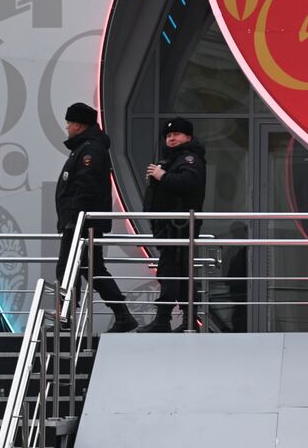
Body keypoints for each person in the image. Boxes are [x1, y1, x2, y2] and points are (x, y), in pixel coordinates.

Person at [56, 102, 137, 333]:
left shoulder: (90, 150)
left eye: (69, 123)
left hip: (82, 224)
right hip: (81, 222)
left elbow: (86, 185)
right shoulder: (86, 147)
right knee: (90, 269)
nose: (67, 128)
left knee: (70, 268)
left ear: (79, 125)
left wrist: (74, 219)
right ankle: (120, 314)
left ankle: (68, 317)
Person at [139, 117, 207, 332]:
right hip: (169, 228)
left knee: (170, 273)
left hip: (179, 228)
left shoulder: (189, 159)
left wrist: (162, 176)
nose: (171, 138)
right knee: (179, 274)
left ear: (188, 137)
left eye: (176, 134)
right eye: (168, 135)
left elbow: (188, 183)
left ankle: (163, 320)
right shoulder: (173, 159)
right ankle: (188, 321)